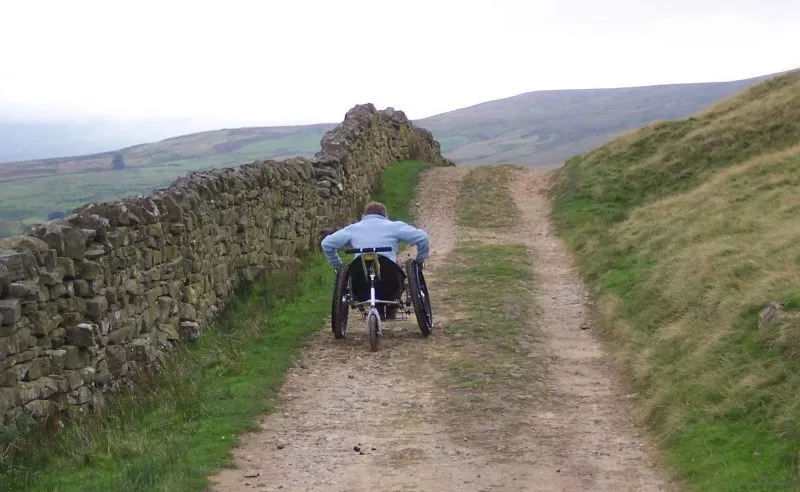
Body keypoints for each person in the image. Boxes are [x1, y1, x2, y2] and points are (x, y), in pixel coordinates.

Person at [321, 201, 430, 319]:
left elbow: (327, 244)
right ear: (385, 216)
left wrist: (338, 266)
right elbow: (423, 238)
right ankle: (391, 304)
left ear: (364, 216)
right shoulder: (393, 226)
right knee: (395, 267)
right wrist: (419, 261)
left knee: (364, 269)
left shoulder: (353, 229)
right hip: (389, 277)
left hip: (360, 279)